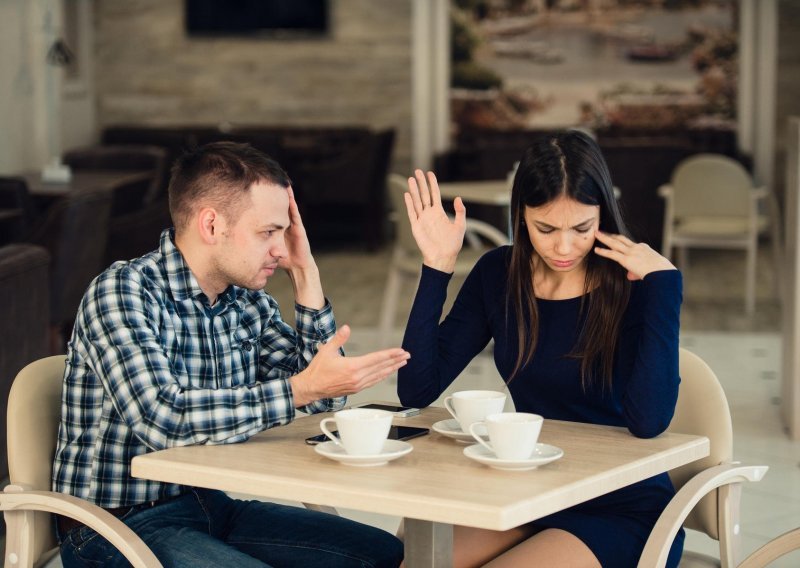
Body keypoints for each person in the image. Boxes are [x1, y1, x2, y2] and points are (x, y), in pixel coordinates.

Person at [52, 141, 408, 568]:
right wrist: (299, 389)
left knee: (383, 554)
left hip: (207, 505)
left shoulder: (244, 301)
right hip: (112, 526)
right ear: (211, 225)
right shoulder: (123, 291)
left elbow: (325, 399)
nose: (280, 248)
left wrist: (306, 274)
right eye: (268, 232)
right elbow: (161, 417)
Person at [397, 130, 682, 568]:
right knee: (417, 562)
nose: (563, 247)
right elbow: (416, 390)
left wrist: (664, 286)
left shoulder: (635, 283)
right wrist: (438, 267)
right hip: (531, 490)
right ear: (521, 216)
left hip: (623, 506)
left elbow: (649, 423)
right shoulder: (499, 274)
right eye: (545, 228)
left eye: (581, 228)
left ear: (602, 214)